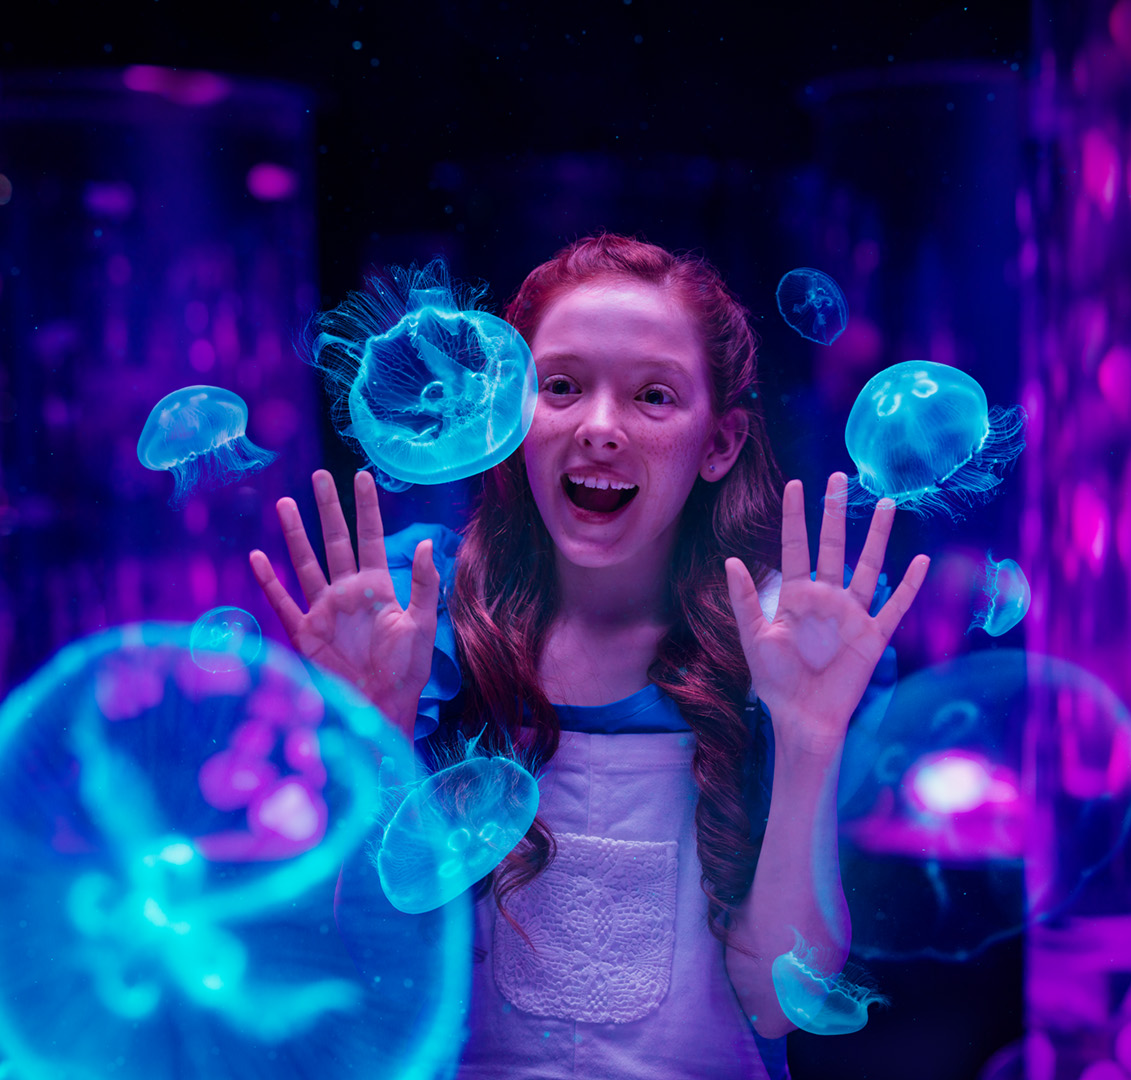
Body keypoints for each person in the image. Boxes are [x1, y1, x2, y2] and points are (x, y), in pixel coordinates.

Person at [248, 235, 928, 1078]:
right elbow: (368, 978)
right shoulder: (422, 629)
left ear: (719, 443)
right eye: (562, 387)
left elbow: (781, 1001)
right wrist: (375, 731)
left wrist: (809, 737)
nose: (600, 428)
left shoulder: (782, 645)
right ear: (507, 418)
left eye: (653, 396)